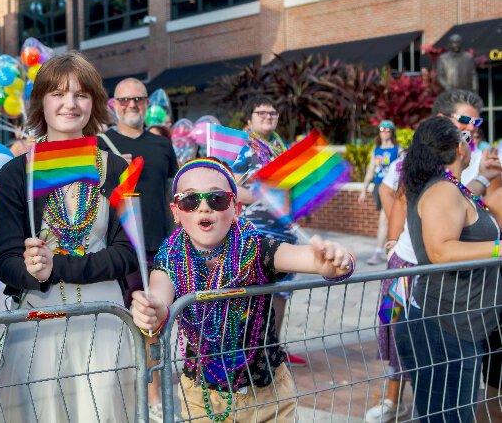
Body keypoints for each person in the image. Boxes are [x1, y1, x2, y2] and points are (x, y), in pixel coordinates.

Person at [130, 157, 355, 422]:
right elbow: (158, 294)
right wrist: (152, 311)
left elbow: (309, 258)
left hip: (270, 393)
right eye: (190, 200)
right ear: (176, 212)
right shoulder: (171, 257)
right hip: (203, 398)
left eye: (217, 199)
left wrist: (335, 261)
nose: (204, 207)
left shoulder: (255, 248)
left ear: (236, 208)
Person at [0, 51, 138, 422]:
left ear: (95, 102)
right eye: (58, 93)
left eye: (81, 94)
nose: (69, 104)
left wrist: (56, 267)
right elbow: (6, 260)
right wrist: (31, 272)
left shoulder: (115, 168)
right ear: (41, 100)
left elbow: (127, 254)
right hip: (38, 324)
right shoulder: (16, 173)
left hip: (104, 323)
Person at [366, 89, 501, 421]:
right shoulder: (441, 187)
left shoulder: (443, 182)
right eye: (465, 125)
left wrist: (484, 177)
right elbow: (441, 248)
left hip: (448, 318)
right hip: (431, 306)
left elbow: (462, 204)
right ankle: (390, 400)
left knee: (438, 408)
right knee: (443, 408)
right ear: (456, 145)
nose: (472, 132)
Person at [97, 77, 178, 422]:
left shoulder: (161, 145)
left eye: (139, 99)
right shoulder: (100, 144)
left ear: (147, 104)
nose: (132, 105)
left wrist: (180, 241)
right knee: (122, 325)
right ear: (114, 105)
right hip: (118, 249)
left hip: (158, 247)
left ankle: (155, 394)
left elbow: (173, 195)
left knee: (153, 322)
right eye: (125, 100)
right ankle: (127, 392)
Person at [230, 97, 307, 366]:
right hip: (256, 231)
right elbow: (231, 188)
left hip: (283, 231)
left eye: (272, 112)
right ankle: (250, 353)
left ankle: (273, 347)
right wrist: (264, 196)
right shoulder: (243, 149)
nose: (267, 115)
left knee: (282, 294)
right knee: (255, 295)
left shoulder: (282, 148)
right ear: (249, 119)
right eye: (260, 111)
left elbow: (288, 189)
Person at [359, 120, 400, 265]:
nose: (384, 132)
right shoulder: (376, 150)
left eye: (387, 129)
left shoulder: (398, 149)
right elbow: (370, 170)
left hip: (392, 189)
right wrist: (364, 189)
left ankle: (378, 252)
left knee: (384, 218)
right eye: (382, 129)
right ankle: (391, 249)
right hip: (378, 187)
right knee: (388, 218)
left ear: (392, 132)